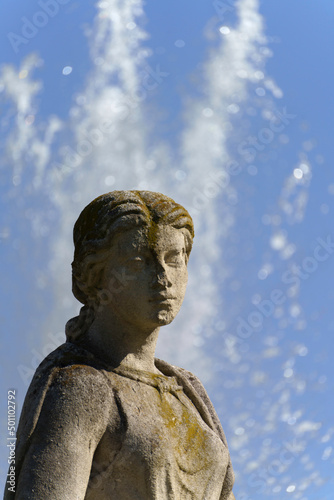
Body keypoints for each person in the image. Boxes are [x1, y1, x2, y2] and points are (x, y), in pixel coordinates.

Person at [7, 190, 235, 500]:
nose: (162, 277)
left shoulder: (190, 390)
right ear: (94, 275)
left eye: (174, 259)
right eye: (138, 260)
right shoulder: (81, 387)